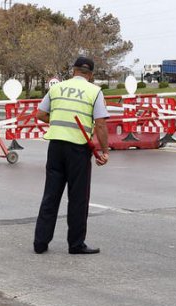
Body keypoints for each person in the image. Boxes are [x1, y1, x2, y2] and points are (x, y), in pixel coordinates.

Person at [33, 56, 110, 255]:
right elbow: (100, 124)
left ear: (73, 71)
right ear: (91, 74)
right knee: (78, 198)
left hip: (56, 146)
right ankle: (75, 244)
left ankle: (40, 243)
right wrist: (104, 150)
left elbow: (40, 114)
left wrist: (58, 120)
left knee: (51, 195)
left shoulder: (57, 88)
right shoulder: (94, 91)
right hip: (78, 148)